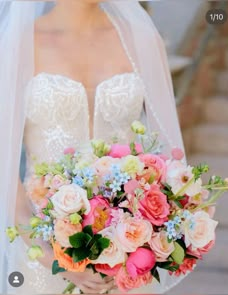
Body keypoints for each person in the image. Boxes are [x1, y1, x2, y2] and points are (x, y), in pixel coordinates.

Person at [0, 0, 186, 294]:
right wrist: (53, 258)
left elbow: (168, 157)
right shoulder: (18, 44)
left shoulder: (142, 40)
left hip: (126, 257)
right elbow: (4, 168)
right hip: (42, 258)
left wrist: (152, 229)